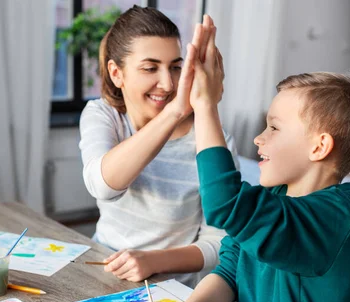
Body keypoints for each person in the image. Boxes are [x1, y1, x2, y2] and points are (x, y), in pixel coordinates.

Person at [143, 19, 350, 302]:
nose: (258, 138)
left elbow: (224, 205)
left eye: (274, 128)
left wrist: (205, 106)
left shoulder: (338, 217)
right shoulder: (273, 198)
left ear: (319, 147)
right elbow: (231, 271)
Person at [79, 7, 238, 287]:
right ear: (117, 73)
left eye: (176, 67)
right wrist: (175, 112)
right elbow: (102, 186)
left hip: (173, 290)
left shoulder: (213, 140)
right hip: (103, 270)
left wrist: (153, 261)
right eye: (150, 68)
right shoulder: (104, 115)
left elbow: (218, 243)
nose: (167, 83)